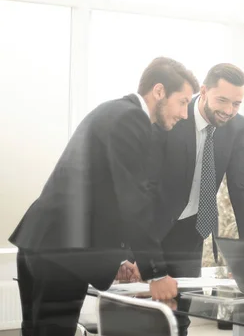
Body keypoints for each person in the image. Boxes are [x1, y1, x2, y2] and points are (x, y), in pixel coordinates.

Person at [9, 56, 198, 336]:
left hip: (42, 244)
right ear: (159, 91)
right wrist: (156, 272)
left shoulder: (112, 112)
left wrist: (120, 260)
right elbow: (134, 201)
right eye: (183, 102)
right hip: (62, 253)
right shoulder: (132, 119)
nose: (185, 114)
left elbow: (102, 199)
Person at [147, 63, 244, 335]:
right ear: (204, 91)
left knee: (181, 315)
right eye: (223, 100)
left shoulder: (237, 127)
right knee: (145, 313)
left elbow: (241, 191)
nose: (229, 111)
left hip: (191, 230)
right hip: (152, 229)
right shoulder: (174, 114)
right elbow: (144, 186)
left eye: (236, 103)